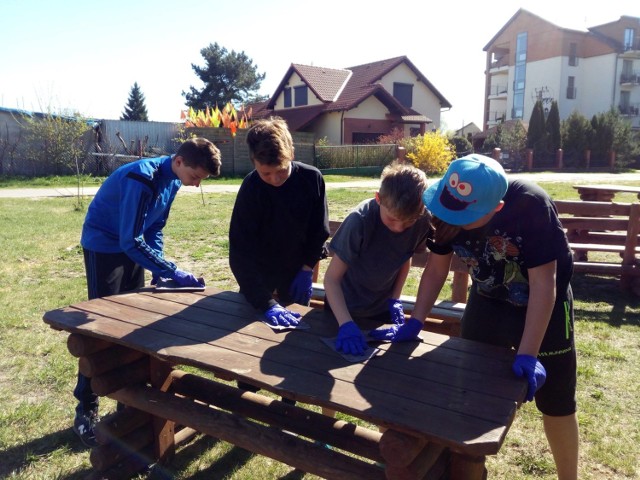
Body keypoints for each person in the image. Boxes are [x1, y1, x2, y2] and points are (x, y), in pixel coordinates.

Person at [372, 154, 579, 480]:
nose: (451, 219)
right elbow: (437, 268)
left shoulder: (531, 206)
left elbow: (543, 285)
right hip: (488, 300)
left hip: (543, 305)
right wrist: (416, 321)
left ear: (495, 208)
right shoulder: (443, 205)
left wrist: (528, 352)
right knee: (468, 388)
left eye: (464, 217)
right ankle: (468, 470)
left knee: (557, 401)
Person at [73, 137, 222, 447]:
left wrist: (158, 269)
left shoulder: (173, 183)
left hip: (130, 247)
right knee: (100, 332)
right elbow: (130, 240)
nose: (195, 185)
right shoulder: (142, 178)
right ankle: (85, 410)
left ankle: (126, 403)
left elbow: (153, 229)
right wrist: (172, 270)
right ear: (179, 162)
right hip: (105, 246)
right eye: (195, 177)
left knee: (131, 326)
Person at [229, 117, 329, 401]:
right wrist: (265, 301)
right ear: (253, 163)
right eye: (266, 174)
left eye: (280, 172)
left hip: (297, 272)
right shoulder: (251, 189)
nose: (274, 180)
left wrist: (307, 269)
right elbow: (239, 251)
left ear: (292, 155)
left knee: (292, 347)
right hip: (258, 278)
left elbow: (318, 231)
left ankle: (289, 405)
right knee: (250, 345)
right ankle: (247, 403)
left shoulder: (312, 179)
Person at [325, 162, 432, 356]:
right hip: (341, 309)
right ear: (378, 199)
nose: (399, 228)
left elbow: (404, 256)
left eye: (408, 222)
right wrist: (346, 324)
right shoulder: (359, 220)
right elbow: (331, 279)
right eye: (392, 219)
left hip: (381, 309)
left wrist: (395, 298)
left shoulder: (422, 219)